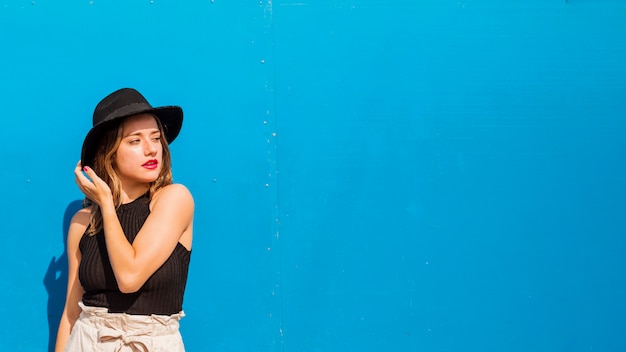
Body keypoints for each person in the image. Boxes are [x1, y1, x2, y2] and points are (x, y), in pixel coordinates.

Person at [55, 88, 194, 352]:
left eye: (156, 138)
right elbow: (71, 314)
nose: (152, 149)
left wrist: (107, 204)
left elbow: (130, 277)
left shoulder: (174, 199)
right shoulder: (83, 221)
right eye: (135, 141)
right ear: (109, 153)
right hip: (87, 341)